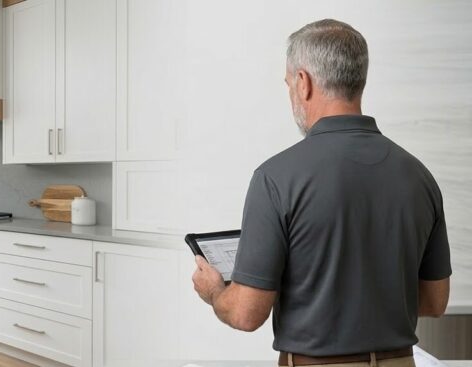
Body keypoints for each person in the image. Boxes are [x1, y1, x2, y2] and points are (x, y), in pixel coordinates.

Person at [191, 19, 451, 367]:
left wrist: (214, 290)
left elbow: (245, 313)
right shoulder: (419, 176)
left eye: (289, 84)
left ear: (304, 82)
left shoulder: (275, 177)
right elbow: (434, 301)